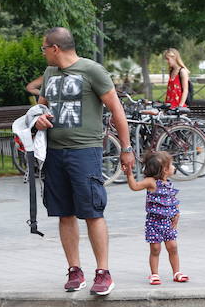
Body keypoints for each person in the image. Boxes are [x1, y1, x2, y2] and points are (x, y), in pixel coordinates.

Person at [32, 27, 134, 295]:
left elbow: (116, 109)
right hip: (54, 152)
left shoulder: (92, 71)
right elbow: (40, 108)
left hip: (85, 152)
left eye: (44, 48)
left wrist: (126, 148)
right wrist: (38, 119)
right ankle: (74, 270)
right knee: (64, 213)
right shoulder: (50, 73)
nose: (43, 53)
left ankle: (103, 272)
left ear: (55, 48)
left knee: (92, 211)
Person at [125, 151, 188, 284]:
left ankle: (176, 272)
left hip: (168, 222)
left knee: (173, 247)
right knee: (155, 249)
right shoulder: (151, 182)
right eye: (171, 165)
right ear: (165, 169)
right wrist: (129, 174)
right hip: (154, 223)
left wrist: (176, 214)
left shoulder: (168, 183)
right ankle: (154, 274)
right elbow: (134, 186)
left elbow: (173, 200)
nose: (173, 167)